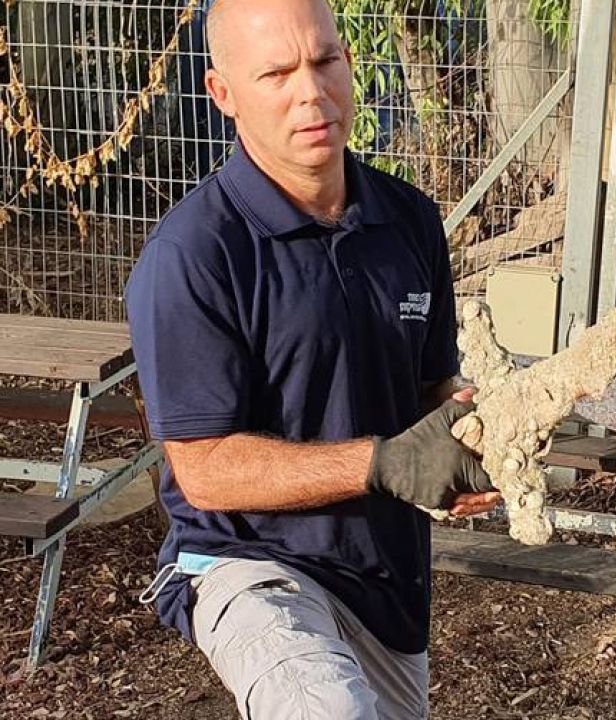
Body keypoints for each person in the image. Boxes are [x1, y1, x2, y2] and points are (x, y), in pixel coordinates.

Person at [124, 0, 501, 717]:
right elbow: (202, 469)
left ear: (349, 64)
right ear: (224, 94)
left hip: (386, 580)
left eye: (325, 61)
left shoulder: (409, 218)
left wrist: (475, 441)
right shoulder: (194, 256)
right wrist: (381, 463)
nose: (311, 92)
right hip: (249, 566)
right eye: (277, 72)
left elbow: (431, 389)